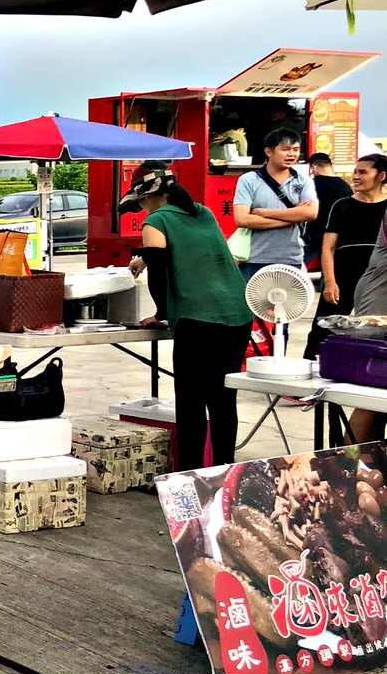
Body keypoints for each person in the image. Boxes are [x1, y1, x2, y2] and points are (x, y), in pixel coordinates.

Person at [123, 166, 252, 470]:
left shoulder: (155, 220)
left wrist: (161, 314)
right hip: (237, 314)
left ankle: (191, 476)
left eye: (139, 202)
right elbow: (193, 250)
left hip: (197, 319)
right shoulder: (203, 213)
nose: (139, 208)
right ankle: (224, 471)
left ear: (149, 197)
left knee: (191, 403)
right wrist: (145, 257)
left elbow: (159, 272)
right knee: (222, 400)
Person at [306, 153, 387, 360]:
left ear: (382, 175)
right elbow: (327, 248)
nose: (356, 177)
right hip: (342, 276)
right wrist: (330, 282)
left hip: (377, 280)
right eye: (355, 172)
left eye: (363, 172)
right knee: (323, 328)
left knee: (374, 329)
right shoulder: (342, 205)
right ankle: (307, 376)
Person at [232, 128, 319, 282]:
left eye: (296, 149)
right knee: (253, 305)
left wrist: (265, 213)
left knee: (288, 305)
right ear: (268, 152)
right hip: (254, 258)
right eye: (285, 149)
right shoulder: (248, 180)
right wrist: (294, 216)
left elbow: (311, 213)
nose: (291, 154)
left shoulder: (303, 181)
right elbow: (242, 220)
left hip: (292, 258)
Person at [305, 151, 352, 267]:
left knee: (296, 268)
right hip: (338, 239)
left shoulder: (311, 185)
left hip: (314, 238)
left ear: (313, 167)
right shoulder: (346, 187)